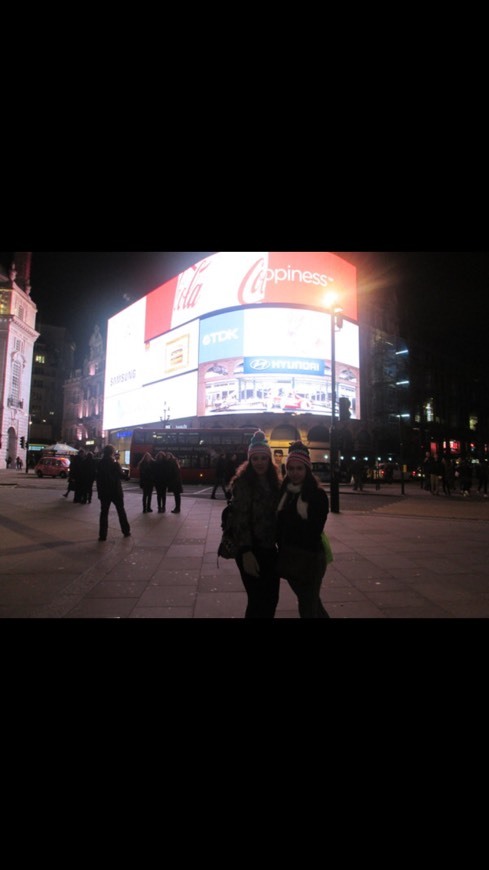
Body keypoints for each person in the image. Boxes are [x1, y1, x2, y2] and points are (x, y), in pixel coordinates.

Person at [229, 430, 281, 619]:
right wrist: (246, 552)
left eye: (263, 458)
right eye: (255, 458)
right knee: (257, 600)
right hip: (250, 550)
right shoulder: (242, 483)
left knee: (272, 599)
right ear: (249, 461)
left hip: (270, 550)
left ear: (269, 460)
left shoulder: (275, 483)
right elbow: (239, 519)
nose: (259, 462)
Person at [276, 441, 330, 618]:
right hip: (289, 556)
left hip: (310, 559)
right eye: (291, 468)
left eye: (299, 468)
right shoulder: (285, 492)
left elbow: (313, 531)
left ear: (307, 470)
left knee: (307, 606)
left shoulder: (317, 495)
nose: (295, 473)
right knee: (311, 602)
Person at [95, 444, 131, 541]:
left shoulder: (100, 464)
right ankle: (126, 531)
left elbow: (98, 479)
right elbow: (122, 476)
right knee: (121, 511)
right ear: (112, 453)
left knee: (104, 513)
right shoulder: (115, 463)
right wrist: (127, 476)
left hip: (104, 492)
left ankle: (103, 535)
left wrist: (99, 492)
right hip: (115, 491)